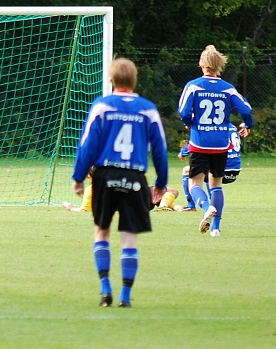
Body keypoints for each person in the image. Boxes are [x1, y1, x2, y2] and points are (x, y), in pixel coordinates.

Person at [72, 58, 168, 308]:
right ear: (135, 79)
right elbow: (160, 147)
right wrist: (161, 182)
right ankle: (125, 295)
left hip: (105, 175)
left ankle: (106, 288)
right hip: (134, 177)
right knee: (129, 237)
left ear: (111, 80)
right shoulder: (147, 109)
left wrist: (79, 176)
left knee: (101, 231)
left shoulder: (102, 106)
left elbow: (87, 144)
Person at [177, 45, 253, 236]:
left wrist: (189, 123)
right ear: (220, 65)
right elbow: (245, 109)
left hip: (199, 143)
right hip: (220, 144)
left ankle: (206, 207)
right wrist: (247, 124)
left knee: (194, 184)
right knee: (216, 185)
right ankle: (216, 228)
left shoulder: (194, 85)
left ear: (201, 64)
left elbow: (183, 111)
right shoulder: (228, 88)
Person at [177, 127, 244, 227]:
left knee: (191, 172)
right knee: (211, 178)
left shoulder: (212, 126)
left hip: (222, 167)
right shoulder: (231, 127)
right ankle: (215, 227)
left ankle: (193, 205)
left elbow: (199, 142)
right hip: (235, 170)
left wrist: (183, 152)